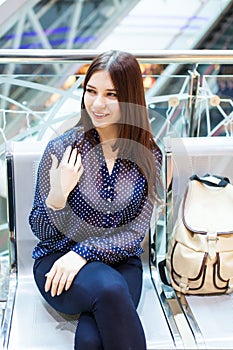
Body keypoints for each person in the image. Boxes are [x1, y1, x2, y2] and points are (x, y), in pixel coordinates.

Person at [29, 50, 162, 350]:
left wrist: (84, 253)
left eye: (111, 94)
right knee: (110, 289)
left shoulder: (148, 155)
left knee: (90, 340)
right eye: (91, 91)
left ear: (129, 98)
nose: (97, 103)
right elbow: (41, 231)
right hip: (58, 261)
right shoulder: (62, 148)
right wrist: (58, 196)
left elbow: (134, 234)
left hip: (121, 262)